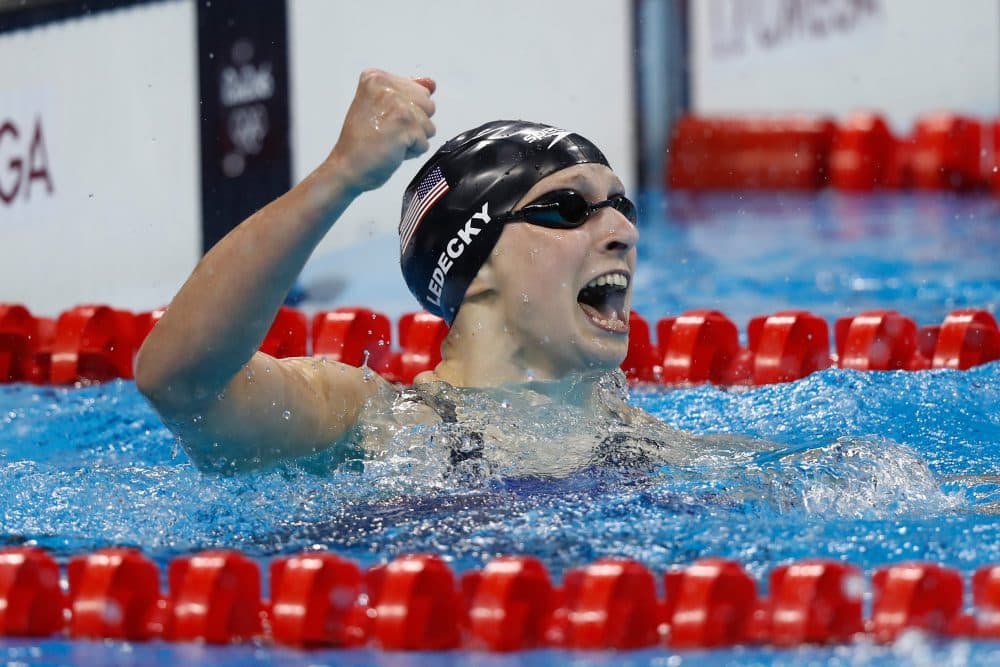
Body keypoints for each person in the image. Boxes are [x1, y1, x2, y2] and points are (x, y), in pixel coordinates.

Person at [136, 69, 696, 474]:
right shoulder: (373, 427)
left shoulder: (643, 445)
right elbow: (181, 382)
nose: (624, 233)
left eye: (623, 207)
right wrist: (340, 176)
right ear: (473, 263)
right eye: (568, 208)